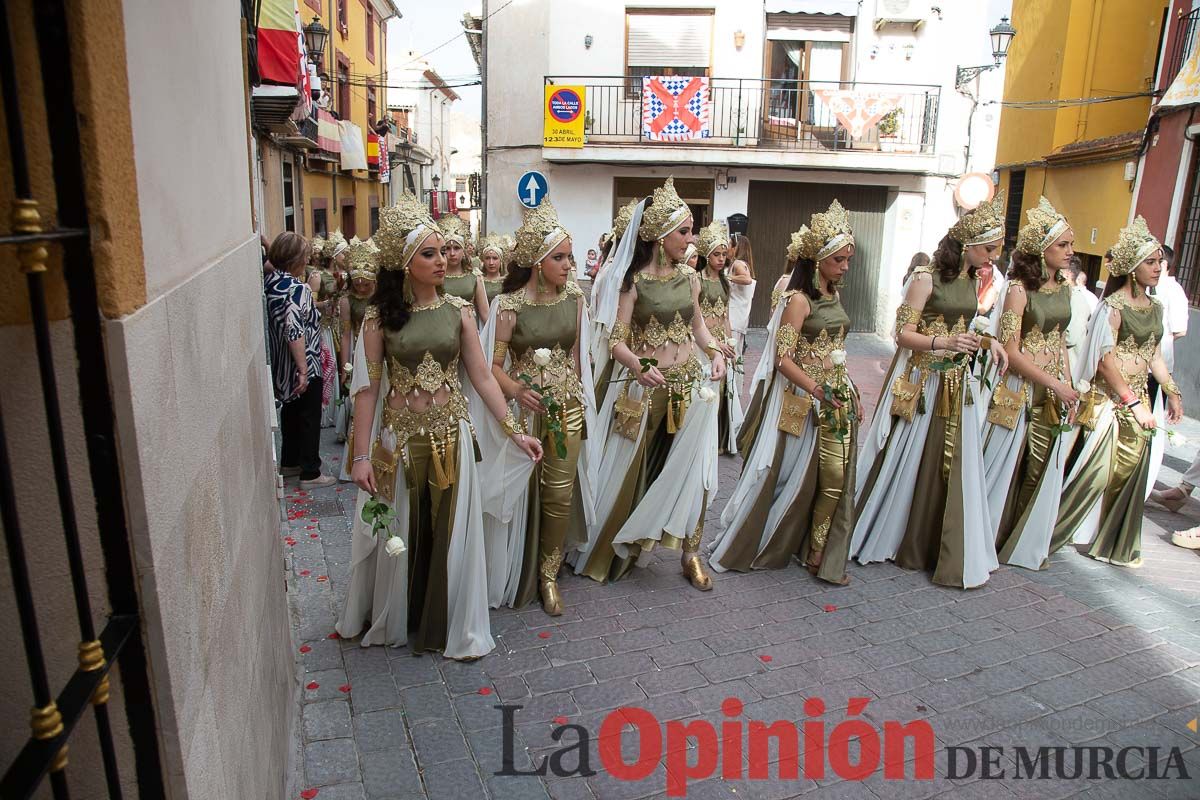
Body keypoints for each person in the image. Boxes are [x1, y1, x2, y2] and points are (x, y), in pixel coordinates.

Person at [336, 193, 542, 657]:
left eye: (442, 251)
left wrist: (514, 430)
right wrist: (362, 456)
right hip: (400, 441)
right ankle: (404, 614)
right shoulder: (378, 319)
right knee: (403, 530)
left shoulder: (459, 311)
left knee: (449, 530)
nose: (442, 260)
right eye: (429, 253)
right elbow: (366, 391)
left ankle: (444, 618)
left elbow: (484, 377)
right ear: (406, 263)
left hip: (451, 436)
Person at [851, 193, 1009, 589]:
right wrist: (944, 344)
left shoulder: (974, 281)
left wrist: (990, 342)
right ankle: (899, 533)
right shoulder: (925, 278)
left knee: (953, 459)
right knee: (912, 454)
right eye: (989, 249)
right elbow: (901, 335)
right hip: (926, 379)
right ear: (969, 244)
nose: (993, 257)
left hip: (959, 381)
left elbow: (967, 327)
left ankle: (944, 540)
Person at [576, 178, 727, 589]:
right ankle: (618, 541)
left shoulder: (690, 278)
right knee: (632, 466)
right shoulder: (633, 281)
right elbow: (616, 340)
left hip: (691, 384)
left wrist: (714, 352)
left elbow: (698, 326)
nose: (690, 239)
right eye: (684, 231)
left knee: (695, 468)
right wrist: (638, 364)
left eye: (691, 231)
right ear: (661, 236)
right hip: (646, 387)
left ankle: (690, 554)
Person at [710, 204, 860, 585]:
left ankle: (817, 548)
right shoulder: (798, 300)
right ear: (819, 260)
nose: (845, 266)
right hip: (805, 397)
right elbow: (782, 359)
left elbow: (837, 350)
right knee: (793, 475)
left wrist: (851, 389)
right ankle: (793, 543)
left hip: (834, 395)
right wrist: (816, 389)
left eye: (847, 260)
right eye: (838, 260)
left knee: (835, 475)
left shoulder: (835, 297)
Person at [482, 200, 599, 615]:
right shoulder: (508, 307)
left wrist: (584, 400)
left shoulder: (576, 300)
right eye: (560, 257)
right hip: (526, 411)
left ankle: (549, 575)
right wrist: (515, 389)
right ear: (536, 261)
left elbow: (579, 358)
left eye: (569, 256)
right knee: (523, 493)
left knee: (559, 492)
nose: (569, 265)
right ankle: (520, 562)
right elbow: (491, 368)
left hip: (566, 405)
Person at [1051, 217, 1184, 568]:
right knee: (1095, 473)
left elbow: (1154, 353)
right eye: (1151, 262)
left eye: (1160, 262)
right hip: (1111, 402)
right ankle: (1051, 530)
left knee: (1129, 474)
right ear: (1131, 268)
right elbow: (1105, 362)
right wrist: (1133, 402)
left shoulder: (1156, 308)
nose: (1159, 268)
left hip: (1138, 400)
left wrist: (1171, 391)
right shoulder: (1113, 307)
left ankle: (1111, 542)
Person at [981, 197, 1081, 570]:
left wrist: (1068, 384)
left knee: (1043, 467)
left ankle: (1022, 541)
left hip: (1054, 390)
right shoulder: (1018, 290)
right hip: (1022, 389)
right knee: (1008, 465)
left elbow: (1060, 341)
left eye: (1070, 244)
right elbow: (1012, 351)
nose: (1070, 252)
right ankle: (992, 537)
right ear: (1041, 249)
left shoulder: (1065, 289)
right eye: (1063, 245)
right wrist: (1054, 384)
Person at [264, 233, 337, 489]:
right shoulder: (298, 289)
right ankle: (311, 472)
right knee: (309, 416)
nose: (308, 258)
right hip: (303, 362)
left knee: (291, 414)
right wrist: (304, 370)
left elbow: (272, 260)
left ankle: (290, 463)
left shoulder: (271, 281)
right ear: (295, 259)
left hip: (281, 366)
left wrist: (265, 241)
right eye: (304, 254)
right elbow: (294, 330)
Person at [696, 220, 744, 455]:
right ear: (707, 255)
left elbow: (725, 315)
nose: (721, 258)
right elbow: (696, 320)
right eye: (716, 254)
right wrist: (715, 342)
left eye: (724, 254)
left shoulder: (725, 282)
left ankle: (718, 439)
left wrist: (731, 340)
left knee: (723, 387)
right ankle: (702, 435)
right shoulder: (698, 281)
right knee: (706, 387)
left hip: (722, 342)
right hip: (704, 342)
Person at [337, 237, 380, 482]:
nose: (362, 288)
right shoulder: (346, 302)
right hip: (359, 353)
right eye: (358, 284)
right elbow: (345, 335)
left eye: (366, 284)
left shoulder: (381, 300)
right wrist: (346, 365)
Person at [317, 232, 349, 429]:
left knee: (337, 367)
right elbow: (310, 303)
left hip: (335, 325)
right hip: (325, 327)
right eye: (343, 254)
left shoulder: (342, 276)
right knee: (328, 368)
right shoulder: (318, 276)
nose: (346, 257)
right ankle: (325, 412)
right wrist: (327, 303)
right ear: (335, 256)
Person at [438, 215, 490, 322]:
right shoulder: (435, 275)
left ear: (463, 250)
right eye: (447, 248)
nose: (452, 253)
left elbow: (485, 313)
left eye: (457, 248)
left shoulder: (475, 276)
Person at [727, 232, 756, 354]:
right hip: (740, 317)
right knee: (736, 353)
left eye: (729, 245)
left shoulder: (738, 264)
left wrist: (727, 278)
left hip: (734, 317)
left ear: (735, 248)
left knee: (732, 352)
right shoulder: (743, 264)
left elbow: (747, 279)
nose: (727, 249)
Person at [478, 234, 507, 304]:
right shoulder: (478, 280)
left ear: (501, 260)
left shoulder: (507, 281)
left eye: (495, 258)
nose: (491, 263)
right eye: (487, 258)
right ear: (483, 260)